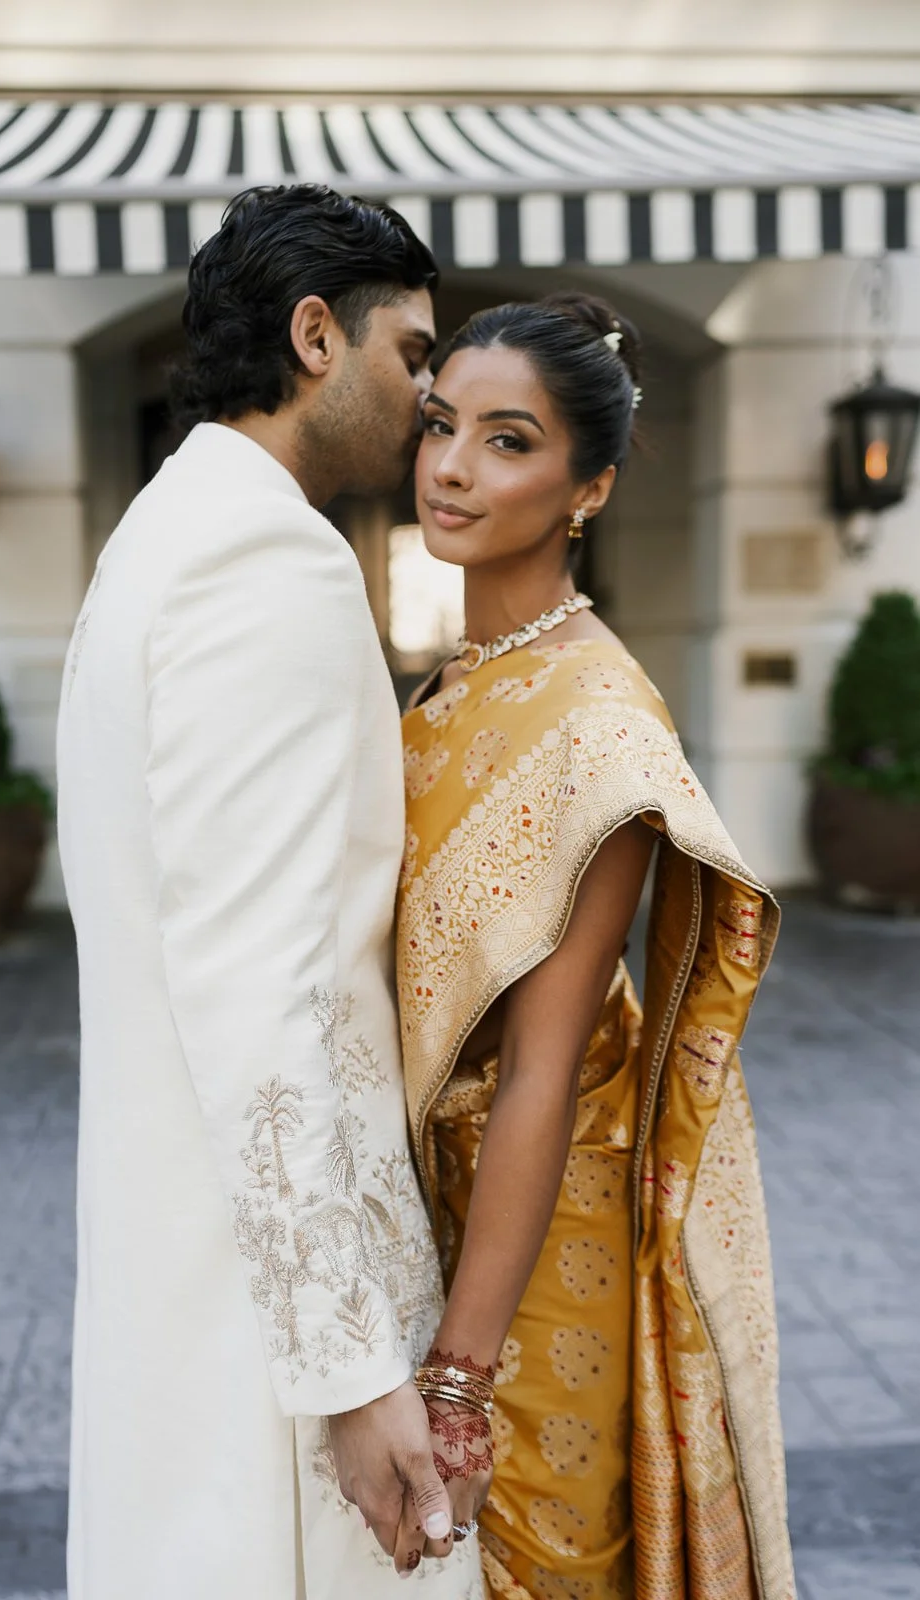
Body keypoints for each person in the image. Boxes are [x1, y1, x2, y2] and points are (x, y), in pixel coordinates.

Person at [55, 185, 484, 1600]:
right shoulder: (266, 561)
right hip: (272, 1328)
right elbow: (265, 979)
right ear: (317, 335)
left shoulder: (156, 541)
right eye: (413, 357)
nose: (429, 400)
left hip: (185, 1248)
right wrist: (356, 1373)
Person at [396, 292, 795, 1599]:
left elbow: (543, 1068)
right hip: (418, 1200)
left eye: (508, 441)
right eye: (440, 423)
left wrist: (461, 1378)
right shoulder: (446, 684)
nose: (452, 466)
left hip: (541, 1232)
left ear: (590, 487)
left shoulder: (598, 727)